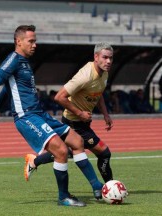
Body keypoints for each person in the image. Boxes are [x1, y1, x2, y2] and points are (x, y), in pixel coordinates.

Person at [0, 25, 103, 207]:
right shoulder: (13, 59)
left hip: (40, 113)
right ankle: (63, 197)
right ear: (18, 42)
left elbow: (7, 89)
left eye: (35, 41)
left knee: (77, 141)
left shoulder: (25, 62)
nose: (35, 45)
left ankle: (97, 186)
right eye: (31, 41)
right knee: (60, 151)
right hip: (26, 116)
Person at [24, 42, 114, 184]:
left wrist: (106, 114)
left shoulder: (104, 73)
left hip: (82, 122)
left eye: (110, 58)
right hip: (74, 122)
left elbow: (98, 92)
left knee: (68, 152)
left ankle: (34, 161)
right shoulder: (85, 76)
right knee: (104, 153)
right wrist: (80, 113)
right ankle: (109, 187)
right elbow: (59, 97)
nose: (108, 61)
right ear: (96, 57)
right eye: (105, 57)